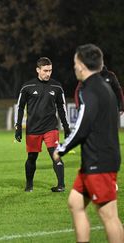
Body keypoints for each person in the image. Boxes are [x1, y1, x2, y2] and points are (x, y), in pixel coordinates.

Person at [54, 44, 124, 243]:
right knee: (75, 203)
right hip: (94, 161)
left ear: (82, 66)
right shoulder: (103, 86)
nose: (74, 67)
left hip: (99, 162)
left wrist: (62, 149)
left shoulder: (91, 90)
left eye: (75, 63)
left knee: (109, 216)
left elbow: (82, 127)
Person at [14, 57, 70, 193]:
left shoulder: (56, 86)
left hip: (51, 127)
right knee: (32, 157)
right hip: (33, 128)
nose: (48, 73)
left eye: (50, 70)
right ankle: (29, 185)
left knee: (55, 154)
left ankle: (61, 185)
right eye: (45, 70)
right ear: (38, 70)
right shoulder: (27, 87)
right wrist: (18, 127)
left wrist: (67, 127)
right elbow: (20, 107)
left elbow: (62, 108)